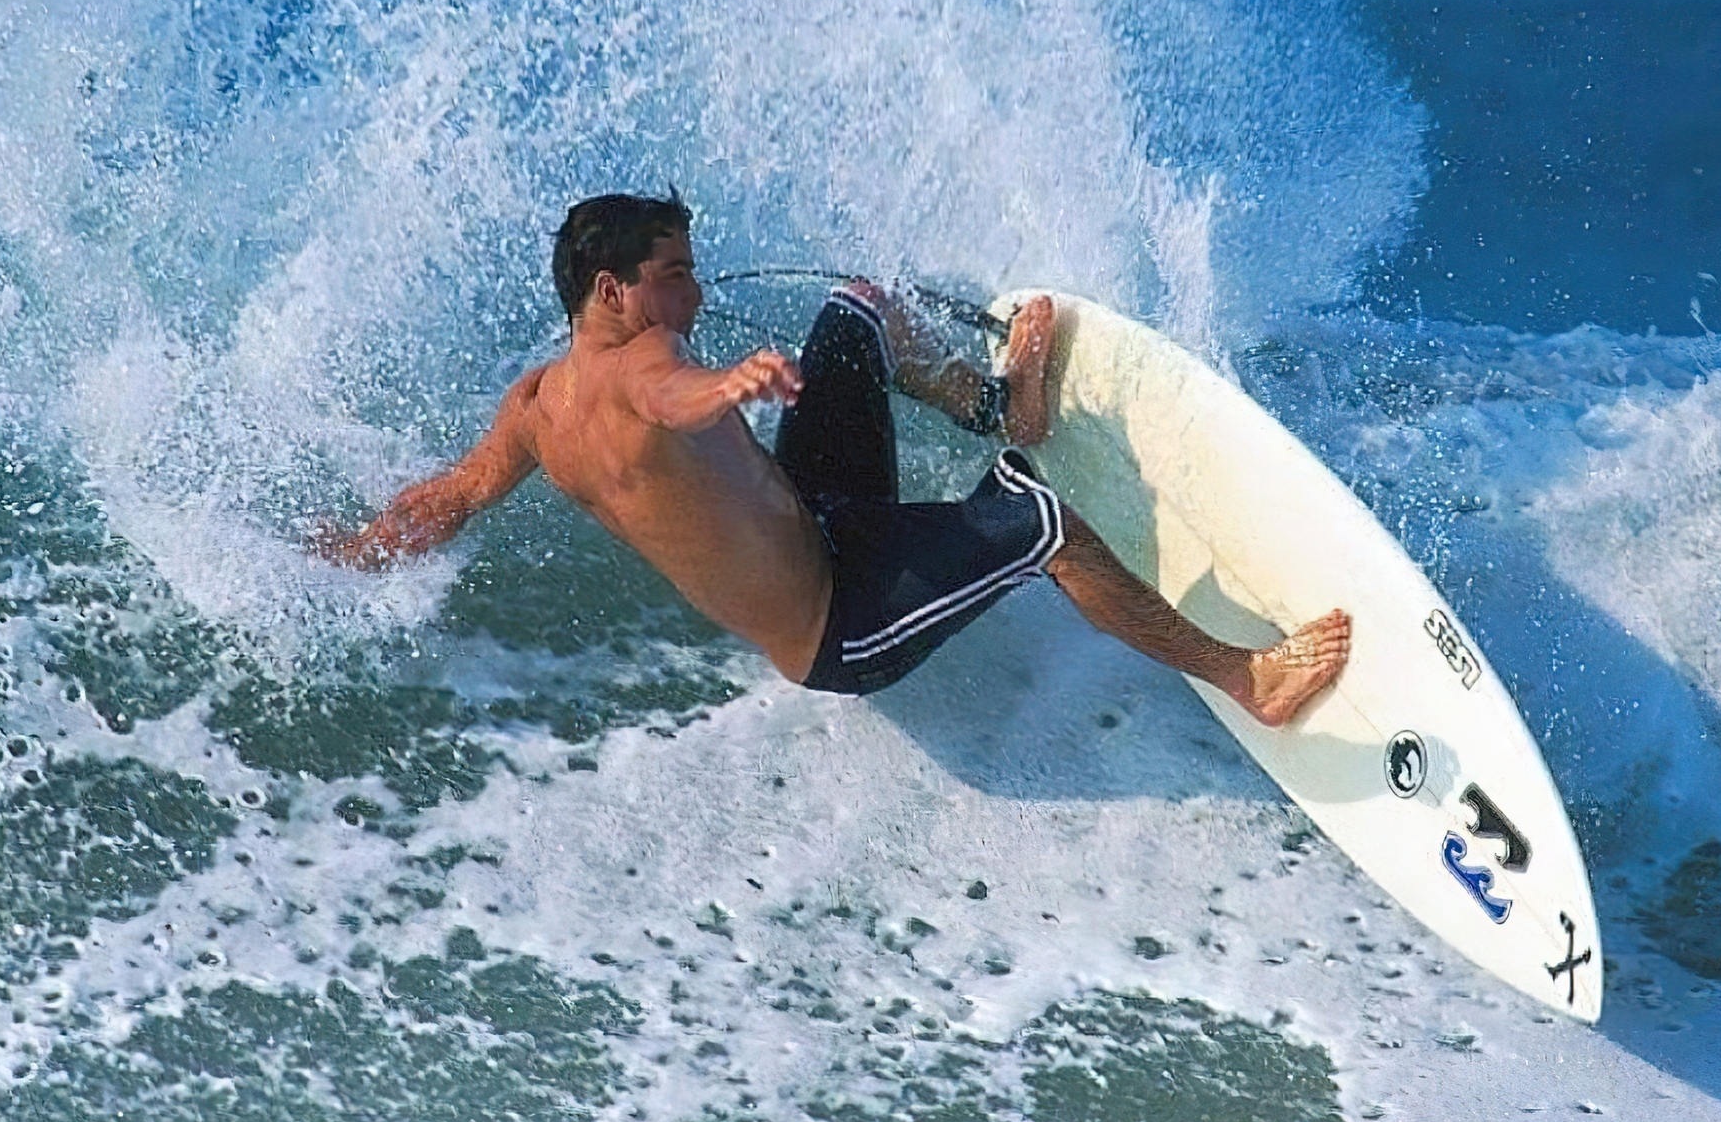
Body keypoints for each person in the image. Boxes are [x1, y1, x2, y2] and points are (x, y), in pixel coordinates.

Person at [316, 193, 1350, 724]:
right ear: (610, 291)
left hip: (815, 515)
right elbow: (667, 397)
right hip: (840, 626)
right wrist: (726, 387)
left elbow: (454, 494)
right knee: (1046, 525)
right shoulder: (650, 366)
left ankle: (999, 401)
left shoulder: (534, 407)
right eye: (675, 276)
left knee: (855, 308)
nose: (697, 297)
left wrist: (361, 549)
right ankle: (1243, 674)